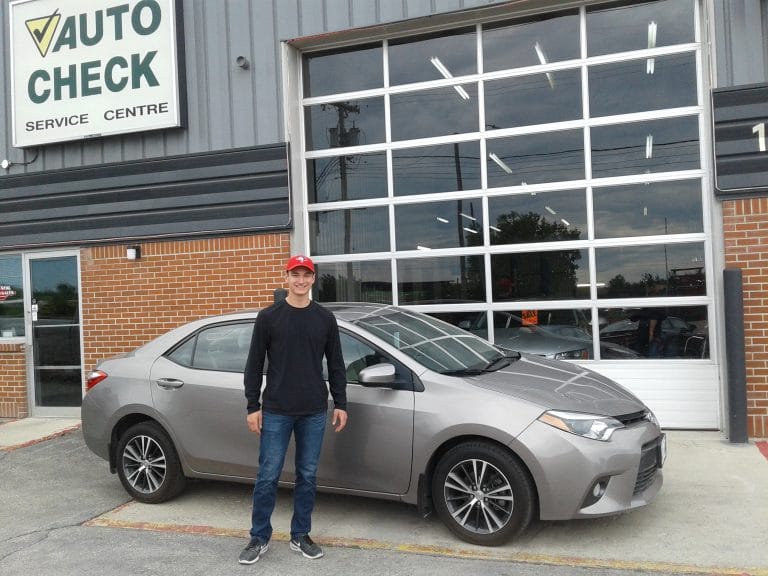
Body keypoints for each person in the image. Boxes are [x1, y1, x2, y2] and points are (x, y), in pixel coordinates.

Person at [239, 254, 348, 564]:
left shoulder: (324, 318)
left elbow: (336, 364)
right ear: (285, 277)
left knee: (308, 475)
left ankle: (300, 535)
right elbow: (254, 364)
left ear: (313, 279)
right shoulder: (269, 317)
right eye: (295, 274)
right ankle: (259, 537)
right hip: (276, 410)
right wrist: (252, 406)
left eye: (306, 275)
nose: (301, 280)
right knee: (268, 476)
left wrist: (340, 402)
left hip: (314, 410)